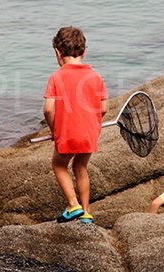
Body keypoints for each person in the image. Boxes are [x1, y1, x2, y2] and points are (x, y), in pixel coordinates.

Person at [43, 26, 107, 224]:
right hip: (89, 132)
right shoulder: (95, 77)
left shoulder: (57, 77)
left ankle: (73, 205)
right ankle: (86, 212)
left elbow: (48, 109)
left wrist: (55, 130)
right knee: (81, 167)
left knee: (59, 164)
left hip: (67, 133)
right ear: (84, 52)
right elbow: (103, 108)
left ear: (57, 52)